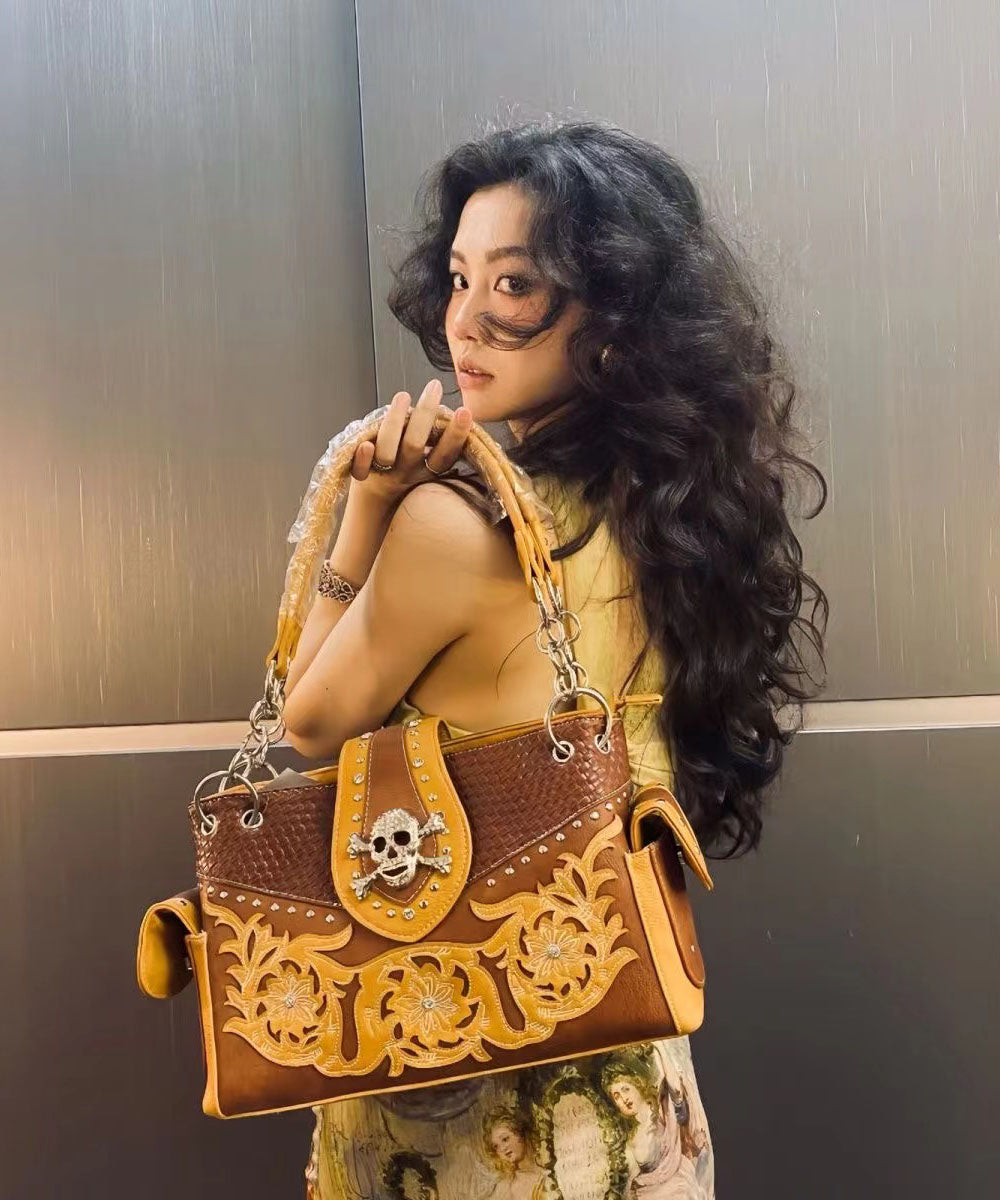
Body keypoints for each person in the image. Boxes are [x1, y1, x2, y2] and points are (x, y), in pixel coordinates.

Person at [288, 118, 829, 1200]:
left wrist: (367, 512)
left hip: (474, 1105)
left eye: (516, 284)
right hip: (640, 1098)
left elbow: (305, 722)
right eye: (459, 278)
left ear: (614, 320)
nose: (464, 319)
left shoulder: (451, 528)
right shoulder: (679, 523)